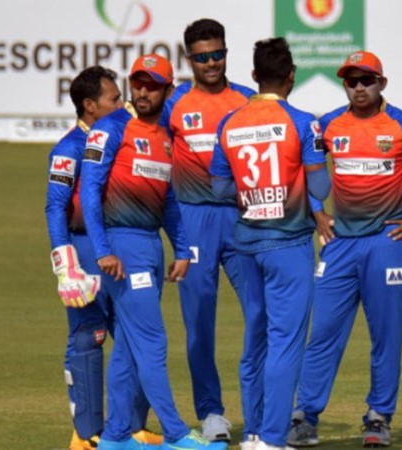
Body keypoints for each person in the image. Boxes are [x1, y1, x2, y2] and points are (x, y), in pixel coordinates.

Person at [287, 50, 402, 448]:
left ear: (382, 83)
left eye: (367, 80)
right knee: (323, 332)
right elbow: (303, 168)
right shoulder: (328, 125)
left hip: (387, 242)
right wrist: (317, 212)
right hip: (340, 244)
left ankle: (379, 417)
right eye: (352, 81)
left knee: (385, 335)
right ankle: (304, 416)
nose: (359, 87)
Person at [79, 54, 226, 450]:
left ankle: (114, 436)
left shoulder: (165, 137)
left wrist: (182, 248)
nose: (142, 91)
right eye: (138, 83)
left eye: (152, 85)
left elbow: (170, 200)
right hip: (122, 248)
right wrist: (103, 249)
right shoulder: (110, 128)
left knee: (128, 348)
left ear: (168, 89)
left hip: (150, 246)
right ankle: (176, 433)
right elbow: (90, 190)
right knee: (152, 341)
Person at [209, 37, 330, 450]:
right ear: (291, 76)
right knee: (286, 342)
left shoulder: (230, 123)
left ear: (254, 75)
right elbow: (321, 187)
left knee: (256, 338)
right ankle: (273, 439)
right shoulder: (303, 122)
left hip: (246, 244)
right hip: (288, 244)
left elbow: (219, 187)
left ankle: (255, 432)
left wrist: (254, 193)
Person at [45, 65, 163, 450]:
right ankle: (85, 434)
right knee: (88, 336)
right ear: (90, 105)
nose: (122, 103)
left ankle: (131, 427)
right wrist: (66, 267)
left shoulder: (122, 135)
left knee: (136, 336)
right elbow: (55, 208)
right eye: (114, 99)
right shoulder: (68, 149)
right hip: (83, 249)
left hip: (120, 247)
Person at [160, 18, 256, 443]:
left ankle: (261, 410)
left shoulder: (248, 101)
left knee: (262, 313)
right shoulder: (174, 103)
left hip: (243, 219)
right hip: (193, 219)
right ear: (189, 60)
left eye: (217, 54)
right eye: (202, 57)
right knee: (199, 322)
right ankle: (211, 412)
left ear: (226, 53)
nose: (211, 63)